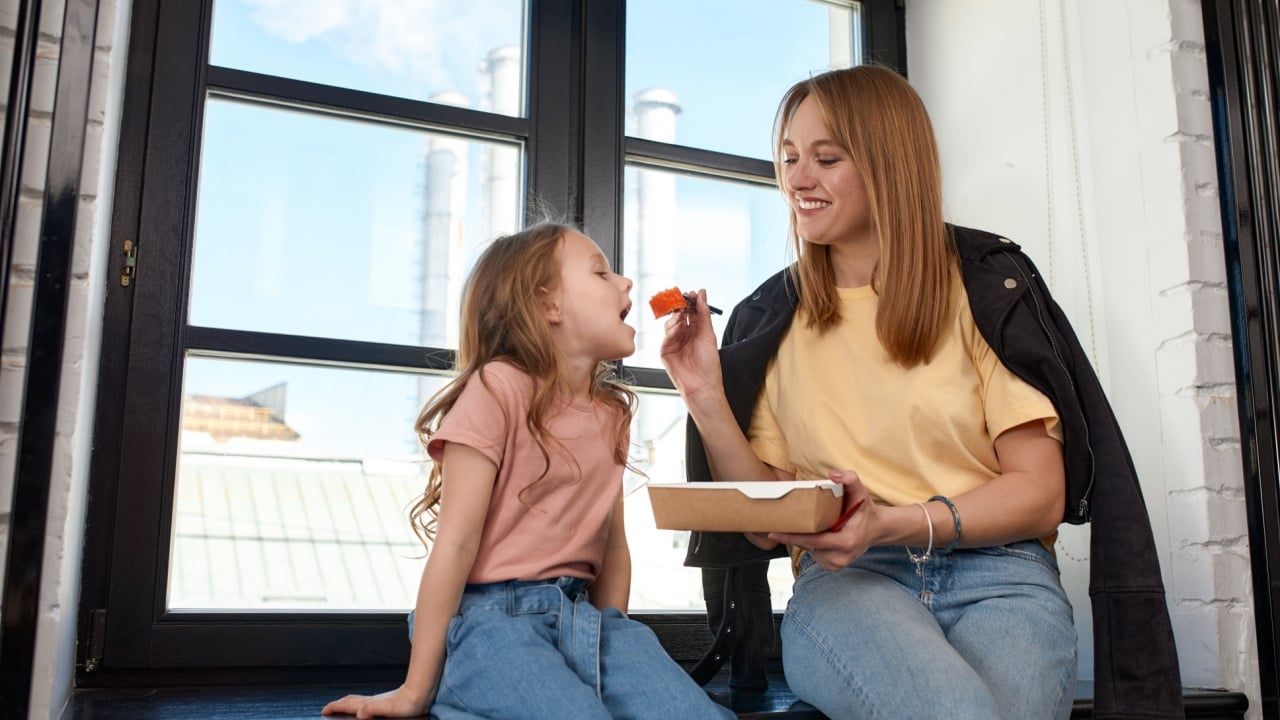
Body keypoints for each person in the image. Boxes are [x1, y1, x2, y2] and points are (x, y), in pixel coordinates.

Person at [660, 66, 1183, 720]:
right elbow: (770, 522)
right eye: (790, 157)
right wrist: (705, 395)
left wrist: (896, 520)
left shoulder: (985, 290)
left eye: (826, 158)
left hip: (1004, 579)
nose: (797, 178)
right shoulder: (774, 316)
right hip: (851, 579)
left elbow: (1041, 492)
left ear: (891, 164)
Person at [322, 223, 735, 720]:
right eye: (601, 272)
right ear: (548, 307)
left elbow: (612, 547)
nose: (626, 283)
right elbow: (453, 545)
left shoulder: (611, 414)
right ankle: (456, 691)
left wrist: (613, 636)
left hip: (589, 622)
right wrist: (413, 691)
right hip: (492, 625)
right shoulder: (496, 388)